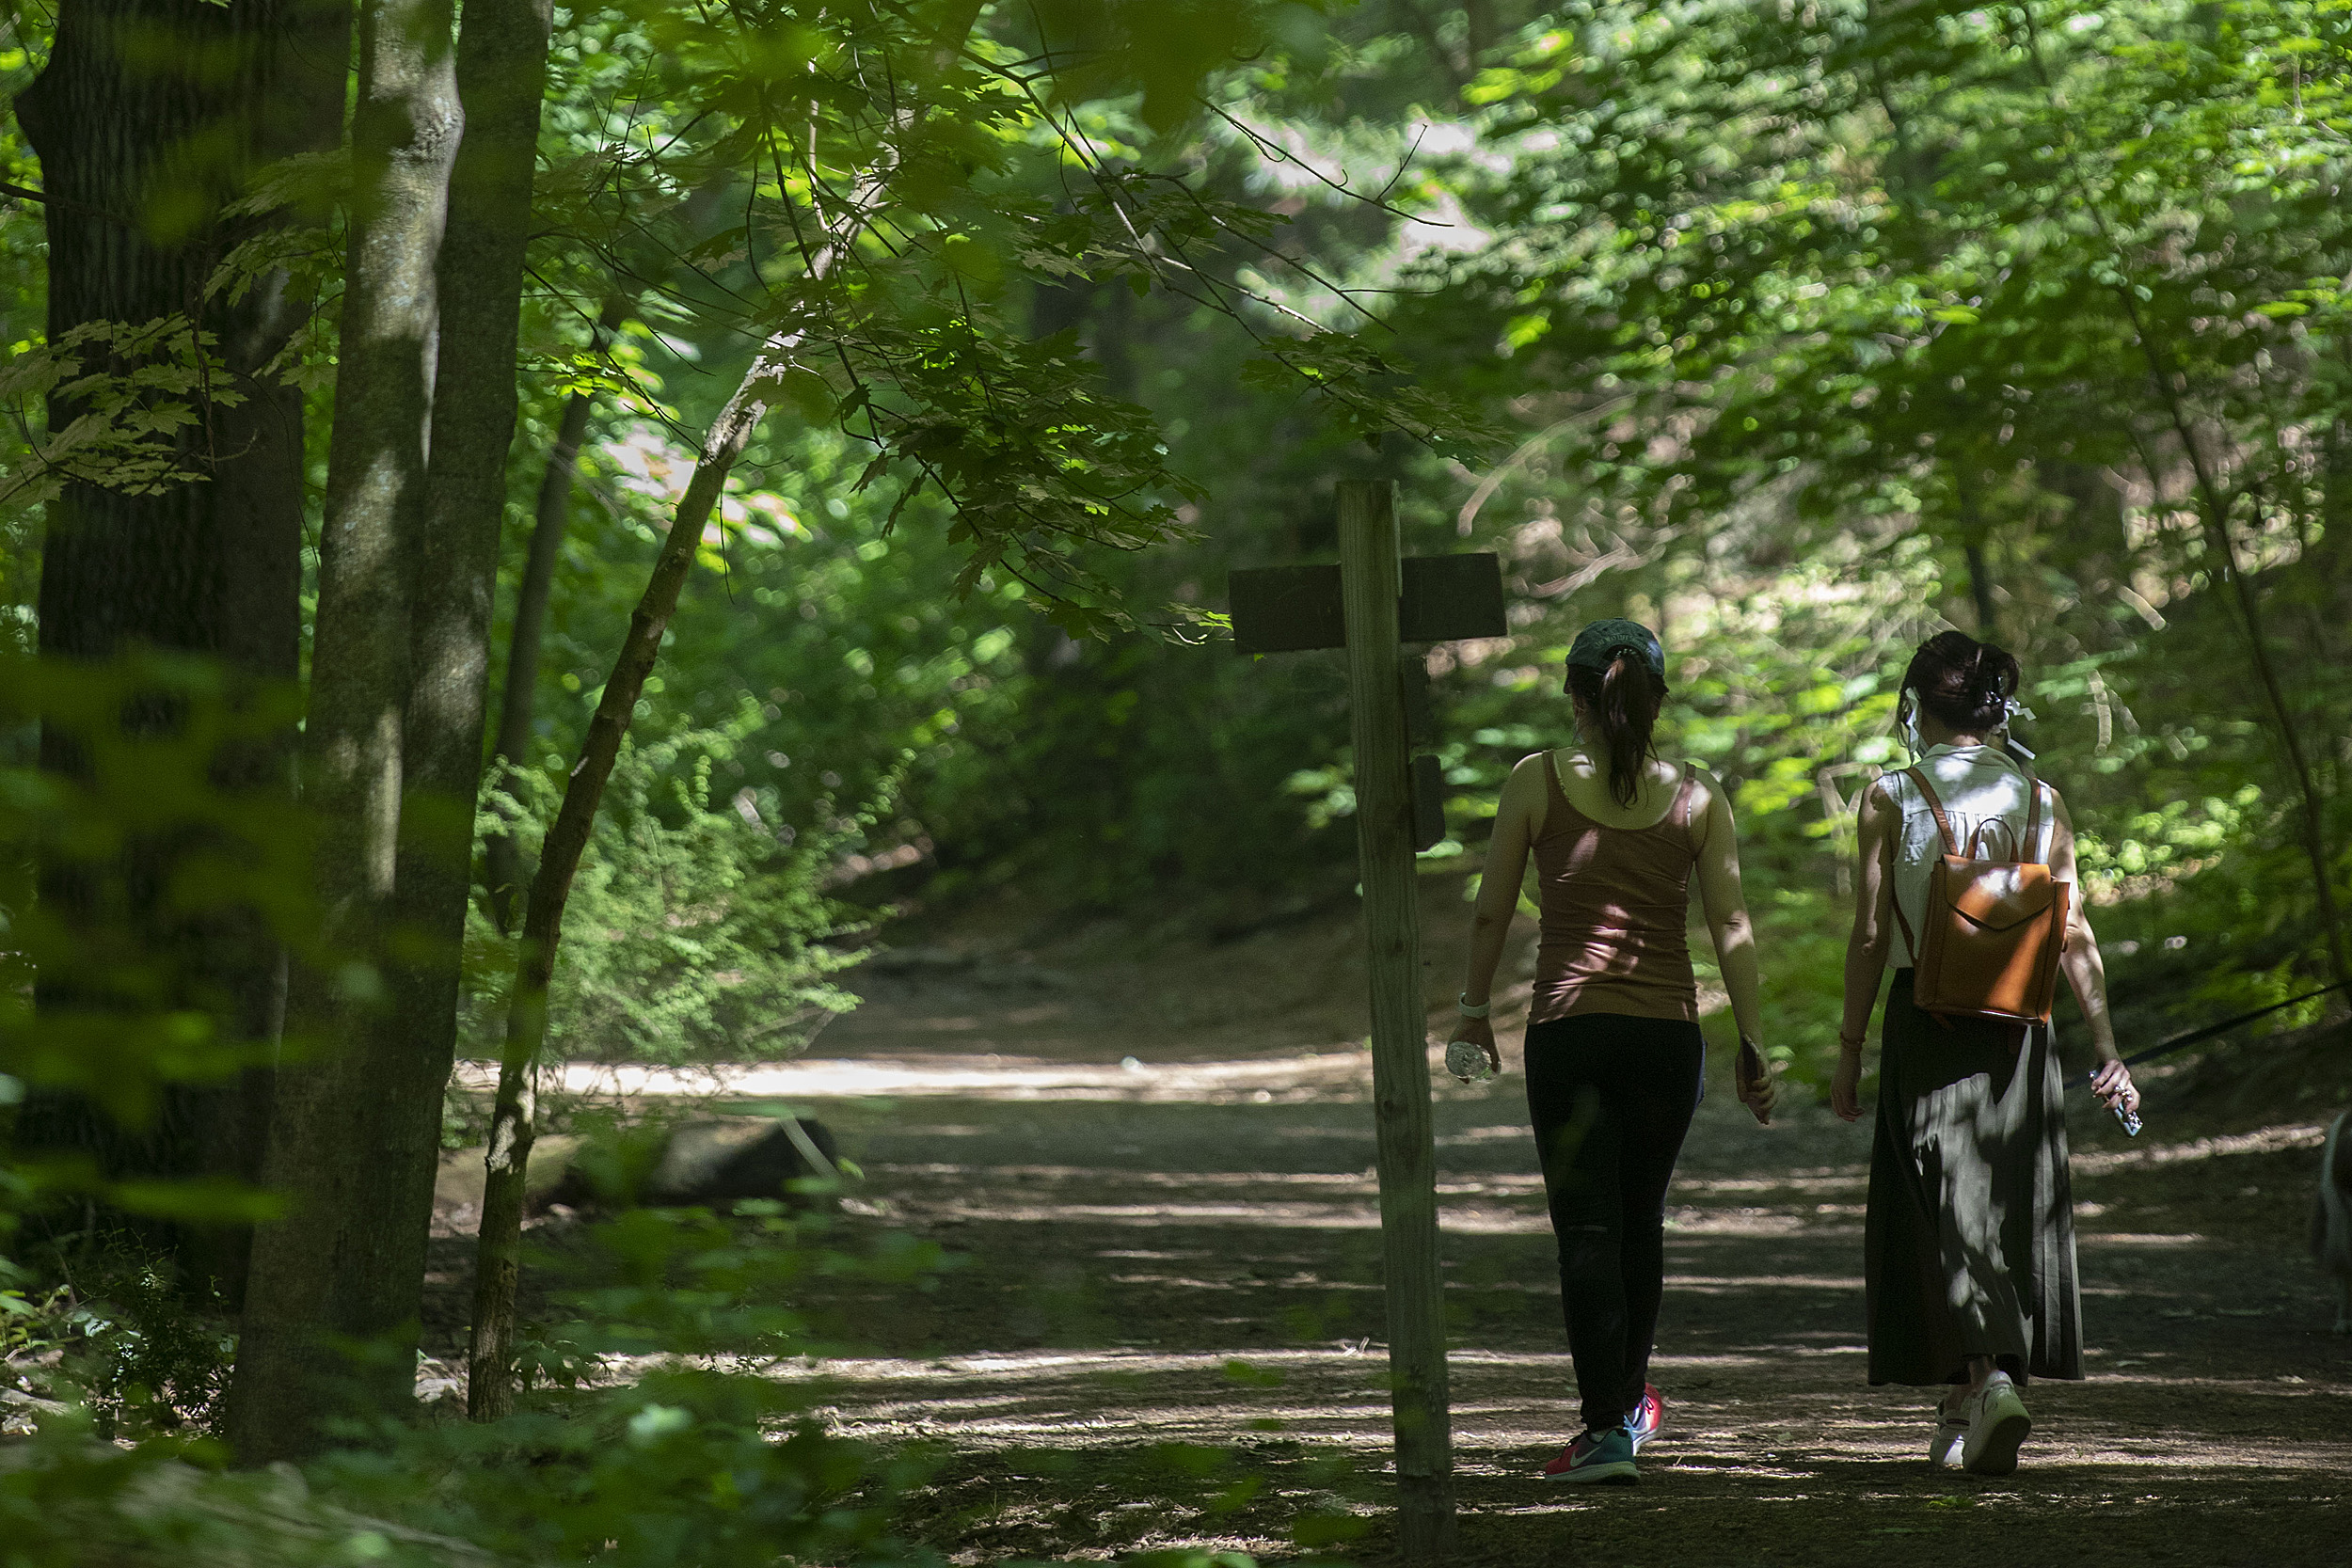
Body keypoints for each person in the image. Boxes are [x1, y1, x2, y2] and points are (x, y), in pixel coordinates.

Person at [1452, 617, 1775, 1486]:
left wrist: (1473, 1010)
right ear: (1657, 701)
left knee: (1586, 1227)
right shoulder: (1698, 796)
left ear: (1573, 697)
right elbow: (1731, 922)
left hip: (1570, 1032)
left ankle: (1606, 1428)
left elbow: (1490, 910)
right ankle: (1625, 1409)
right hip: (1668, 1035)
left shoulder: (1535, 783)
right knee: (1640, 1218)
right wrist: (1751, 1038)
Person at [1833, 629, 2139, 1477]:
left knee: (1942, 1204)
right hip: (2022, 1026)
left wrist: (1850, 1046)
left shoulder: (1890, 795)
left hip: (1925, 1020)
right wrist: (2106, 1045)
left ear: (1917, 707)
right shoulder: (2042, 799)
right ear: (1994, 709)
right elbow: (2072, 929)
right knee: (1999, 1200)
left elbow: (1867, 935)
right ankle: (1967, 1399)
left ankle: (1993, 1375)